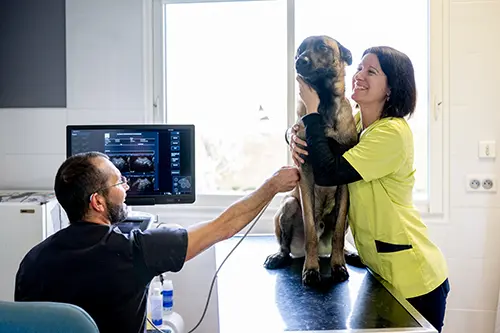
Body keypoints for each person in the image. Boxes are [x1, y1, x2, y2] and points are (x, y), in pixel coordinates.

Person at [14, 151, 300, 333]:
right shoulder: (133, 251)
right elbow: (222, 227)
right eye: (119, 183)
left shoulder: (31, 261)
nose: (126, 188)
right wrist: (272, 186)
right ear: (98, 202)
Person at [287, 46, 450, 332]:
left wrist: (311, 111)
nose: (359, 75)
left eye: (371, 71)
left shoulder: (391, 134)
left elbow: (328, 172)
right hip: (381, 273)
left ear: (391, 88)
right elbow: (319, 141)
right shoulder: (361, 124)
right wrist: (290, 135)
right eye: (360, 68)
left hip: (413, 279)